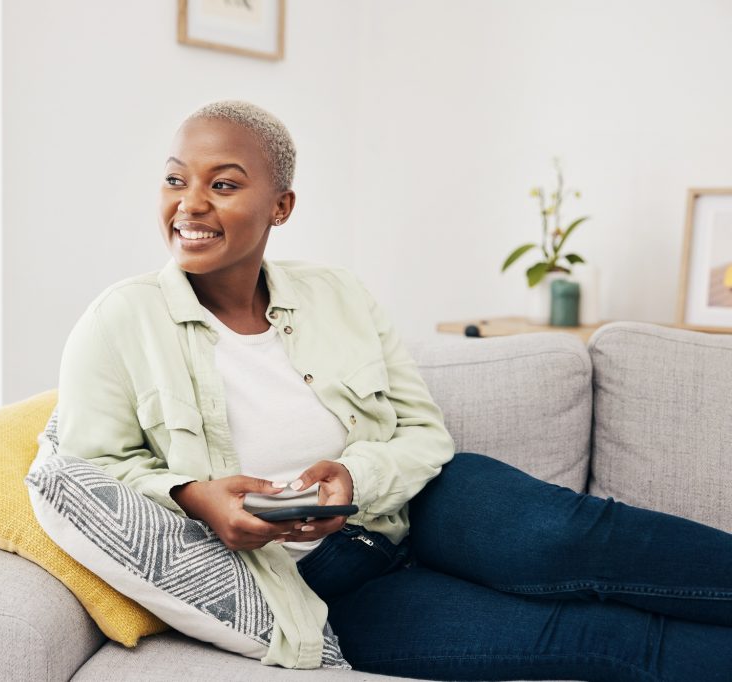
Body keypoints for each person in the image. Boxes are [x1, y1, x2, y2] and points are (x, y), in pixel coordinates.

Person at [54, 100, 732, 680]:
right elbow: (86, 477)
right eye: (175, 179)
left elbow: (423, 432)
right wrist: (193, 497)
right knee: (594, 638)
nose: (190, 204)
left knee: (577, 536)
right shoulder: (118, 323)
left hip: (428, 501)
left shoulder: (337, 293)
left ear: (281, 205)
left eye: (223, 185)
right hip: (323, 588)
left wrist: (355, 475)